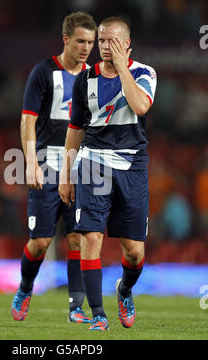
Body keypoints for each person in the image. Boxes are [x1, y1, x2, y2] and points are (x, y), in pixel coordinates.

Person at [59, 17, 157, 331]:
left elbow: (140, 106)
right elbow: (75, 129)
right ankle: (99, 314)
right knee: (90, 237)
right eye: (102, 41)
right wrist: (66, 174)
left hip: (131, 166)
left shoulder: (144, 73)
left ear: (127, 44)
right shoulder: (84, 79)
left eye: (112, 41)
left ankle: (124, 290)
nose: (104, 47)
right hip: (92, 162)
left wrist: (121, 66)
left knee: (134, 251)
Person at [11, 12, 97, 323]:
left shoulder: (96, 76)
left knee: (78, 239)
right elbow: (27, 120)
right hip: (47, 163)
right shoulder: (43, 72)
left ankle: (76, 307)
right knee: (40, 242)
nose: (86, 47)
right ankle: (24, 287)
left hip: (80, 166)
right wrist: (31, 162)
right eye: (80, 41)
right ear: (65, 39)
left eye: (91, 42)